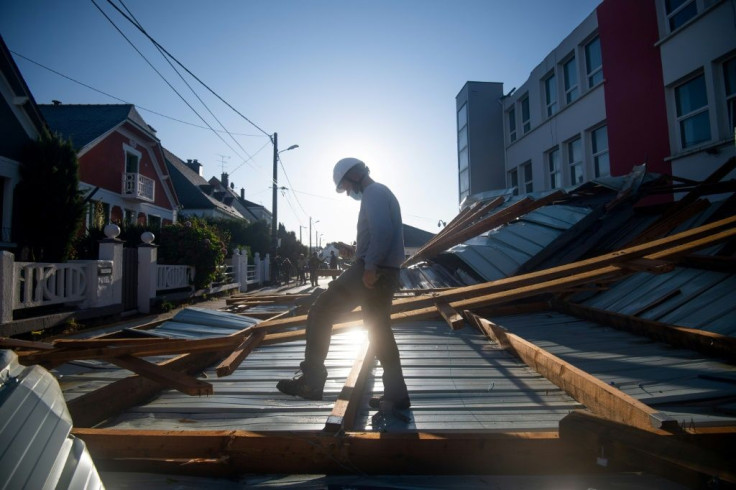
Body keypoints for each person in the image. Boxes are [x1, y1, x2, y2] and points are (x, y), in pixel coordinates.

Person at [277, 158, 410, 410]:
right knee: (379, 330)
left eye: (346, 187)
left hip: (373, 271)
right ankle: (396, 394)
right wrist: (357, 251)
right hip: (386, 272)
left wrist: (369, 265)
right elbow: (380, 235)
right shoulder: (380, 193)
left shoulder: (373, 192)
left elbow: (383, 232)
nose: (348, 192)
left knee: (320, 311)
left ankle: (311, 382)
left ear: (354, 176)